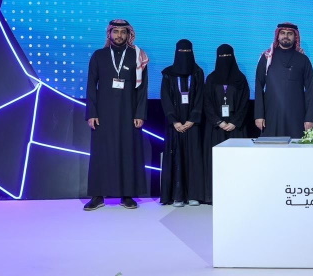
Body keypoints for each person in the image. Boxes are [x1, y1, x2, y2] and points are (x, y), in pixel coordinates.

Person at [84, 19, 149, 211]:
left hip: (129, 113)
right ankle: (97, 196)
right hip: (103, 114)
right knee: (101, 153)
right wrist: (92, 112)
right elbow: (91, 85)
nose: (119, 35)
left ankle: (127, 195)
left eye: (123, 32)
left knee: (128, 152)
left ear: (128, 34)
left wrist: (140, 114)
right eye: (115, 32)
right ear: (109, 34)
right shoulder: (99, 55)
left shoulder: (137, 56)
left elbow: (142, 88)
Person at [159, 39, 206, 207]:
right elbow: (165, 97)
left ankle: (193, 194)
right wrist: (174, 121)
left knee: (193, 158)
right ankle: (177, 196)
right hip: (175, 125)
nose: (184, 55)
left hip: (193, 124)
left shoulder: (198, 73)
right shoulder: (168, 74)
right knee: (176, 157)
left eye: (187, 52)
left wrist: (193, 119)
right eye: (182, 52)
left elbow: (201, 97)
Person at [203, 44, 249, 204]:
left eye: (227, 56)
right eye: (221, 57)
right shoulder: (211, 79)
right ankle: (214, 195)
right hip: (216, 128)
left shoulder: (240, 79)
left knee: (237, 162)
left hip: (236, 128)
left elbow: (245, 103)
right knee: (216, 162)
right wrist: (219, 122)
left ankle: (237, 195)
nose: (224, 60)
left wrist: (234, 122)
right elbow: (207, 103)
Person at [254, 23, 313, 136]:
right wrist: (259, 115)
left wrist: (310, 117)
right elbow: (259, 86)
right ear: (278, 36)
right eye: (282, 33)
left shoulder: (303, 59)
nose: (286, 36)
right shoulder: (267, 58)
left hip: (296, 115)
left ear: (295, 37)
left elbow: (310, 90)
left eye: (289, 34)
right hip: (271, 114)